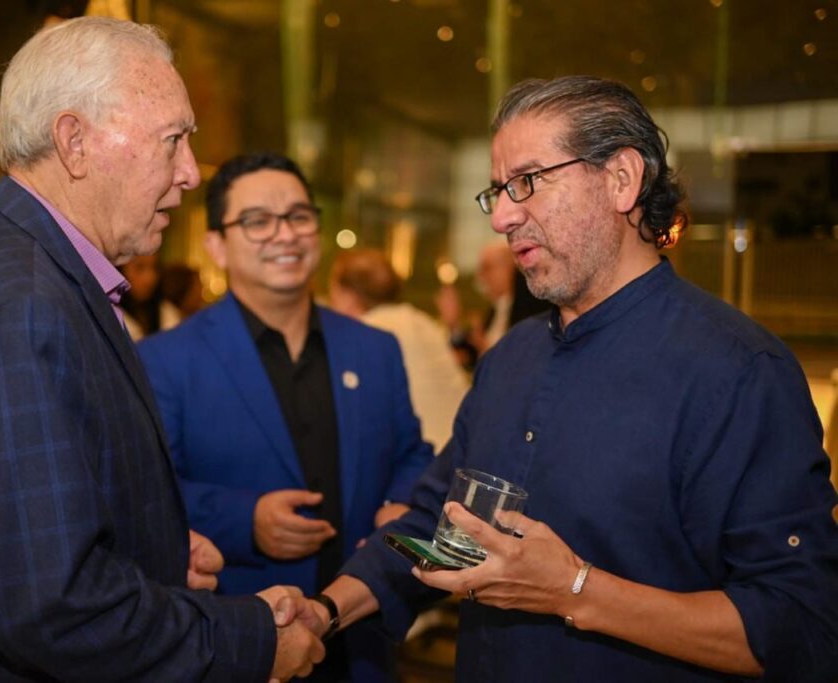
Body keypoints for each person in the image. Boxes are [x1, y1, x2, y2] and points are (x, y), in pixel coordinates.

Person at [304, 76, 838, 682]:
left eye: (527, 181)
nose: (502, 217)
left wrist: (576, 589)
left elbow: (801, 626)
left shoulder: (737, 372)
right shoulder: (511, 357)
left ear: (622, 179)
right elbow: (438, 519)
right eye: (498, 191)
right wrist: (323, 612)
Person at [0, 18, 323, 682]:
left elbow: (28, 524)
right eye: (173, 140)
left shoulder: (13, 265)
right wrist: (251, 642)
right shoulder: (21, 302)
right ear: (74, 142)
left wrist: (154, 554)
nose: (191, 173)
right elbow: (54, 607)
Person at [137, 152, 434, 682]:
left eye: (298, 216)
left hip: (358, 637)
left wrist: (399, 504)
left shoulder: (374, 349)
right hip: (240, 640)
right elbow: (146, 494)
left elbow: (412, 452)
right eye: (257, 221)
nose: (285, 234)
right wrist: (244, 520)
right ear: (216, 244)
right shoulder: (165, 361)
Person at [328, 247, 468, 449]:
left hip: (420, 458)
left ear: (348, 297)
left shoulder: (364, 334)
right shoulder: (422, 321)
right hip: (461, 450)